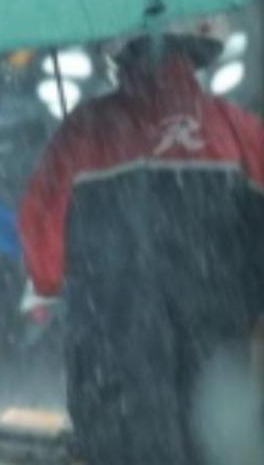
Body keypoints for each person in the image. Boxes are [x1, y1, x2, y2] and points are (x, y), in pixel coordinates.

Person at [18, 24, 264, 464]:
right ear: (195, 59)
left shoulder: (82, 134)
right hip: (219, 384)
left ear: (120, 59)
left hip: (113, 376)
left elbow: (46, 267)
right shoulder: (240, 131)